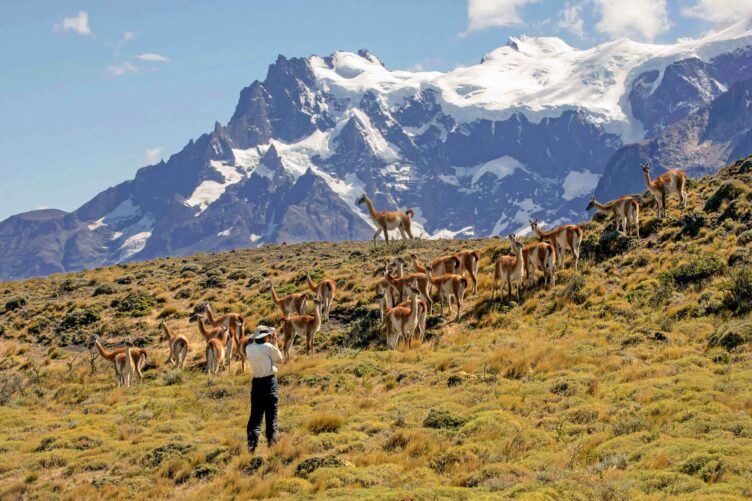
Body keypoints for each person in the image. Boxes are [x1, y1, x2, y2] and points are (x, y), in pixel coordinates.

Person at [245, 325, 283, 453]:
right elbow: (279, 360)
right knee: (271, 418)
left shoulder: (249, 348)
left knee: (255, 418)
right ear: (266, 336)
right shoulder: (268, 347)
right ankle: (272, 448)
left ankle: (251, 446)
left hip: (256, 384)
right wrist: (275, 343)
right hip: (269, 383)